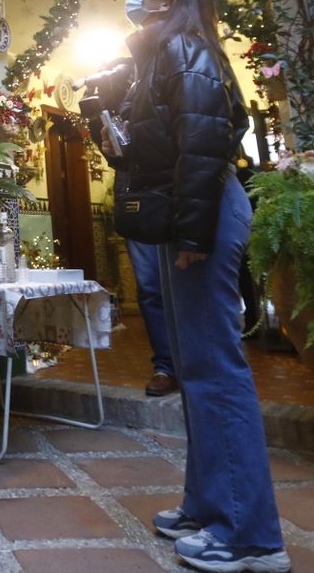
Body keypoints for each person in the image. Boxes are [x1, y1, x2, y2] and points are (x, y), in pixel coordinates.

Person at [116, 0, 288, 573]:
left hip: (203, 210)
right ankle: (209, 504)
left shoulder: (186, 49)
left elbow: (208, 141)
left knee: (214, 367)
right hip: (188, 210)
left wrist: (192, 232)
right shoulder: (166, 53)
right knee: (196, 367)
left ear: (174, 3)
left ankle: (250, 535)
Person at [83, 57, 179, 398]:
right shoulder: (114, 99)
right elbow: (116, 157)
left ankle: (198, 363)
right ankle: (165, 366)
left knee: (187, 287)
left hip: (176, 196)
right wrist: (101, 123)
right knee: (151, 289)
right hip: (138, 203)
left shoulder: (169, 82)